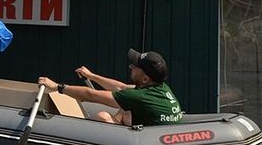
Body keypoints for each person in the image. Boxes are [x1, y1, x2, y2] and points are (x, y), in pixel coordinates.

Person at [37, 49, 183, 127]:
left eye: (135, 66)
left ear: (145, 78)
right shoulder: (161, 87)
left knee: (102, 116)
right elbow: (121, 87)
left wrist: (57, 87)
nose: (130, 67)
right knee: (125, 109)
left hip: (142, 144)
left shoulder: (138, 97)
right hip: (156, 133)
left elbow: (91, 95)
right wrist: (92, 76)